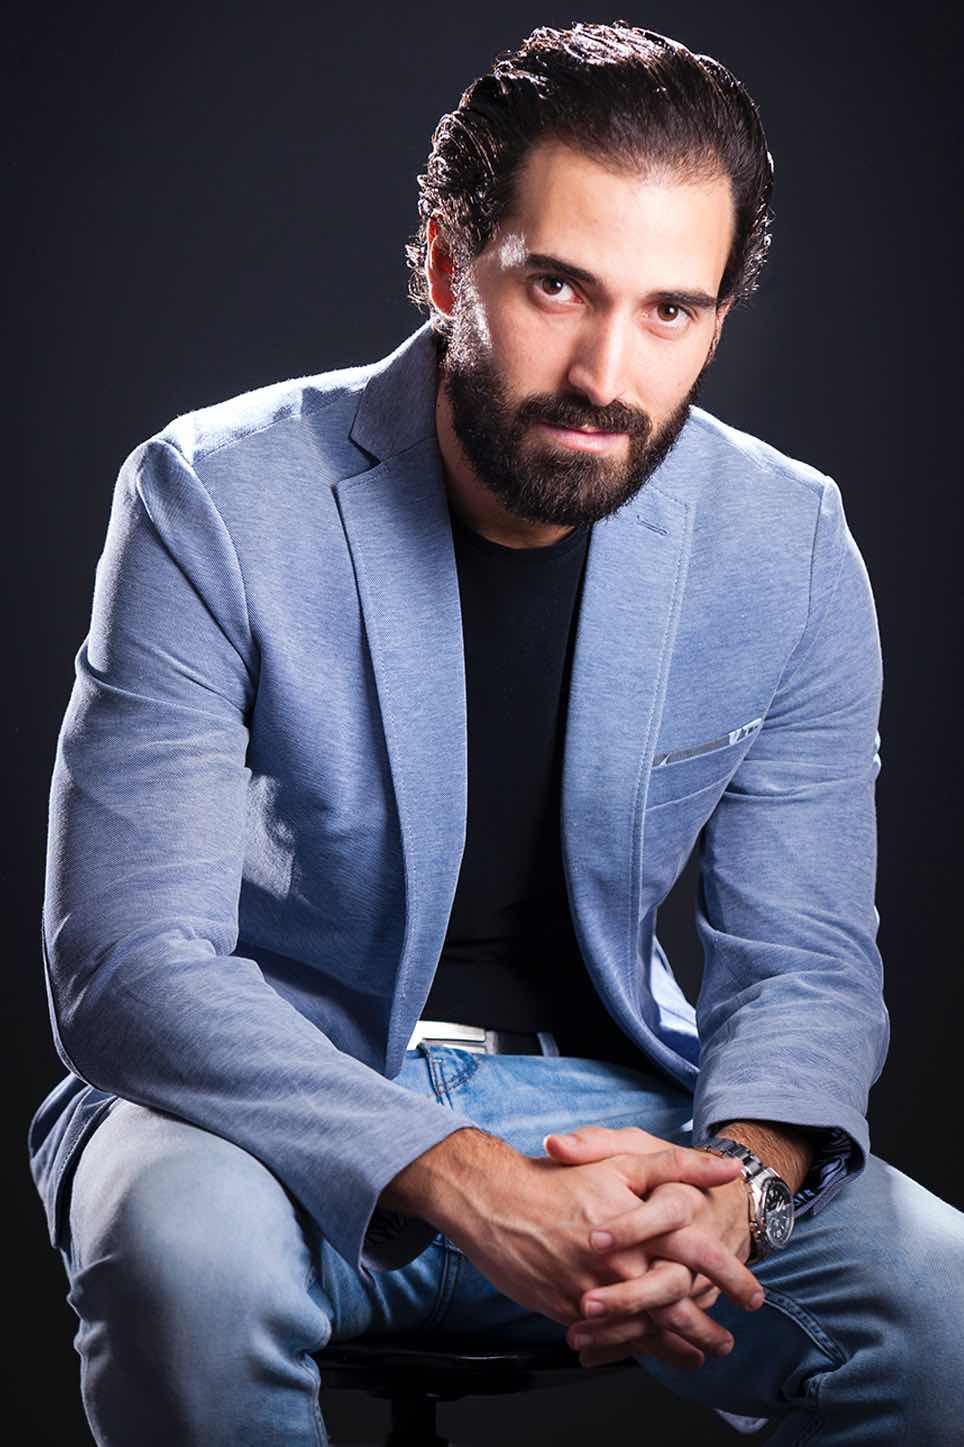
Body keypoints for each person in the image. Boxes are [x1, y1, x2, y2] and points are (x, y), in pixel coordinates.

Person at [27, 20, 964, 1446]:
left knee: (934, 1298)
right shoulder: (211, 496)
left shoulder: (789, 543)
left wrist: (741, 1188)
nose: (605, 372)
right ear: (445, 265)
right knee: (186, 1255)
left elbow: (806, 968)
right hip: (262, 1104)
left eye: (671, 311)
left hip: (617, 1120)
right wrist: (467, 1178)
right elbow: (129, 967)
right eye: (557, 286)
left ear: (718, 319)